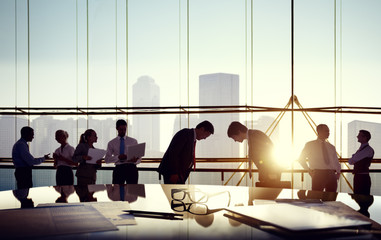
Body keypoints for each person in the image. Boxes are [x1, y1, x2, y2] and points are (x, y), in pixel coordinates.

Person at [298, 124, 341, 192]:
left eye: (329, 131)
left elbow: (336, 161)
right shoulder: (310, 145)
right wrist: (309, 170)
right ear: (319, 131)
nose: (328, 133)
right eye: (326, 131)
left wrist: (338, 173)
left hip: (331, 174)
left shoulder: (331, 147)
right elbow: (301, 159)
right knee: (316, 198)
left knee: (331, 199)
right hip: (318, 174)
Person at [105, 119, 140, 184]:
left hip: (131, 168)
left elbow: (139, 157)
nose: (123, 131)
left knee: (133, 191)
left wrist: (136, 160)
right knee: (116, 191)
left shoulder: (133, 141)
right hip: (119, 169)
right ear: (117, 128)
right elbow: (107, 159)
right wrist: (118, 157)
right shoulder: (111, 143)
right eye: (121, 129)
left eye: (124, 129)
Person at [348, 130, 374, 195]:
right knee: (358, 196)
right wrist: (354, 157)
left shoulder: (368, 150)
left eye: (359, 135)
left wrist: (353, 156)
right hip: (359, 176)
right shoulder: (363, 149)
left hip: (362, 178)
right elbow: (352, 160)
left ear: (364, 137)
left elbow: (351, 161)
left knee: (361, 198)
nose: (357, 136)